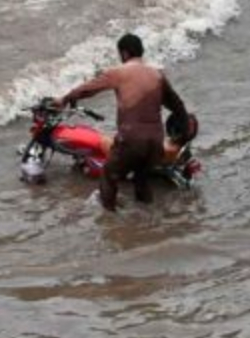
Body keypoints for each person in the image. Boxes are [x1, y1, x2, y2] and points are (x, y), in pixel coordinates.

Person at [57, 33, 190, 209]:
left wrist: (66, 98)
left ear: (124, 53)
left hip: (131, 139)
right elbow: (176, 104)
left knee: (108, 175)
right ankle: (147, 217)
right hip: (155, 142)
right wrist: (185, 127)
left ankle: (109, 218)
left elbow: (88, 89)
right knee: (141, 179)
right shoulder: (157, 75)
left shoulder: (119, 72)